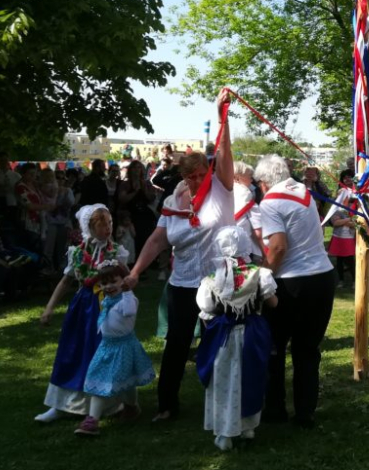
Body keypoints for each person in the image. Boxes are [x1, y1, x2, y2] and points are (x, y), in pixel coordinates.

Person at [125, 89, 237, 422]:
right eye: (191, 176)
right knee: (176, 344)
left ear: (210, 171)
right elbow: (157, 240)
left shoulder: (222, 190)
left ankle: (222, 404)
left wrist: (222, 116)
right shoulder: (173, 202)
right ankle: (167, 405)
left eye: (203, 174)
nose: (198, 180)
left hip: (218, 282)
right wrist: (135, 272)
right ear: (183, 177)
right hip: (182, 283)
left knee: (220, 343)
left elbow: (226, 150)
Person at [255, 155, 336, 428]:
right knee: (307, 349)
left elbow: (278, 247)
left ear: (264, 183)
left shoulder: (269, 201)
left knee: (274, 348)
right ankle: (305, 413)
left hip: (291, 283)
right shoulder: (303, 191)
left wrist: (262, 276)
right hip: (322, 277)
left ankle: (275, 410)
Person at [36, 204, 130, 423]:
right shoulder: (77, 252)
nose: (108, 228)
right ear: (89, 226)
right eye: (102, 224)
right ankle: (60, 404)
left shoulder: (117, 251)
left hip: (108, 307)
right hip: (83, 308)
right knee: (72, 352)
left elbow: (127, 280)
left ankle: (105, 404)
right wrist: (49, 308)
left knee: (101, 356)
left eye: (109, 223)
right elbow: (66, 281)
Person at [194, 226, 277, 450]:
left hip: (224, 335)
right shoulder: (260, 274)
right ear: (244, 246)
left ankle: (225, 433)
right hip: (252, 333)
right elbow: (273, 302)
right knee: (250, 377)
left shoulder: (211, 280)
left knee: (223, 379)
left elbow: (208, 310)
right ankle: (247, 428)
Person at [75, 261, 155, 436]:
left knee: (127, 380)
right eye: (103, 283)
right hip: (107, 347)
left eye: (113, 281)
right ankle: (92, 420)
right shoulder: (108, 301)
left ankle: (131, 407)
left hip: (123, 347)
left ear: (123, 280)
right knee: (100, 377)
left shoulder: (128, 299)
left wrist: (127, 290)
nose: (108, 287)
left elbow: (129, 311)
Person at [232, 161, 265, 265]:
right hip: (242, 248)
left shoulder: (222, 192)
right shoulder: (245, 194)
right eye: (249, 177)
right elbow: (258, 230)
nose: (252, 180)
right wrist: (265, 253)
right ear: (237, 178)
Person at [327, 177, 357, 288]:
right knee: (339, 260)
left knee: (350, 260)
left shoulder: (352, 208)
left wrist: (345, 221)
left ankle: (355, 280)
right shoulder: (335, 208)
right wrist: (348, 220)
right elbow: (335, 222)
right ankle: (341, 280)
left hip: (348, 237)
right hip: (338, 237)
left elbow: (355, 223)